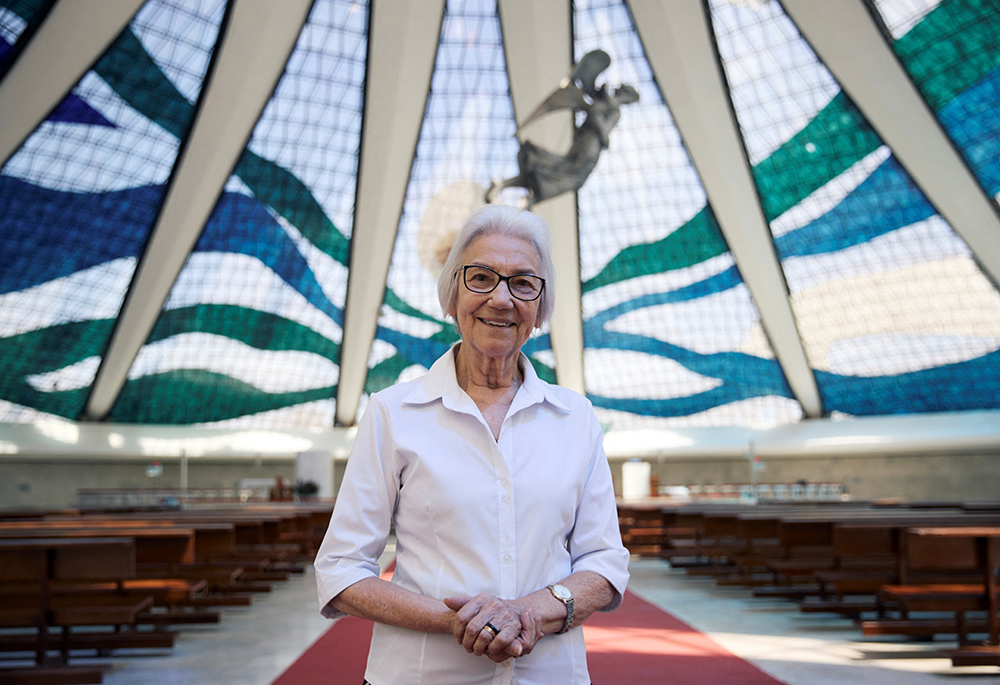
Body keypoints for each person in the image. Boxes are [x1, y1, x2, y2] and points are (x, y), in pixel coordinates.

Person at [314, 204, 630, 684]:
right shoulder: (393, 412)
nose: (501, 299)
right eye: (481, 277)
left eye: (523, 283)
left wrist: (529, 612)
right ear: (451, 295)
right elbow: (341, 569)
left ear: (540, 309)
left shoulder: (577, 418)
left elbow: (604, 562)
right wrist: (455, 621)